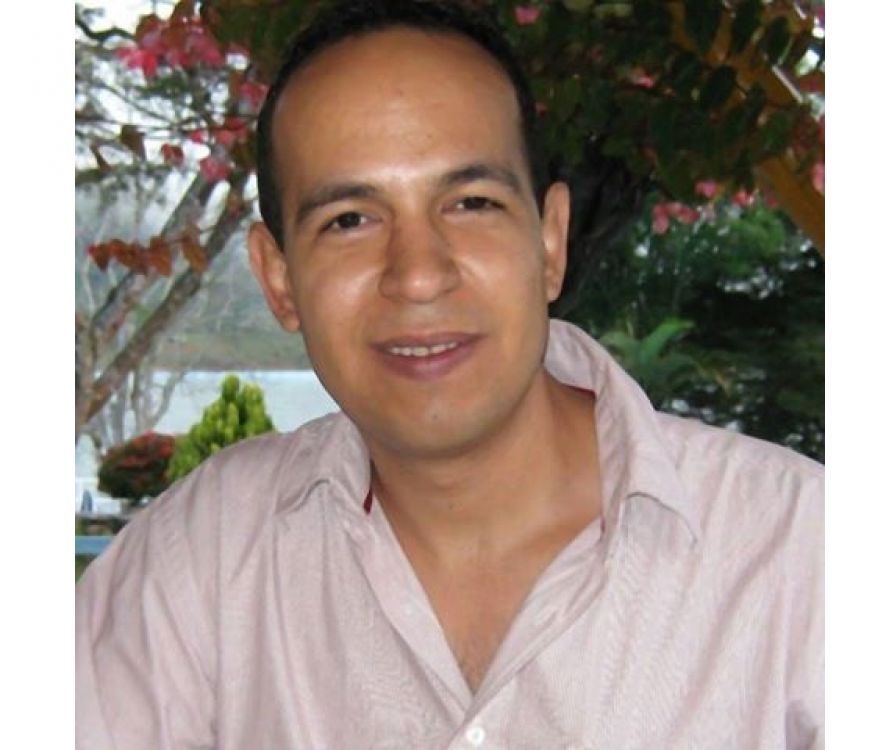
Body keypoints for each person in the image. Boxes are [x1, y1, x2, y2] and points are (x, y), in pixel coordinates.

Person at [75, 0, 824, 747]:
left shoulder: (805, 555)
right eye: (349, 220)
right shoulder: (199, 564)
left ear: (550, 242)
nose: (418, 275)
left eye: (471, 203)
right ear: (279, 279)